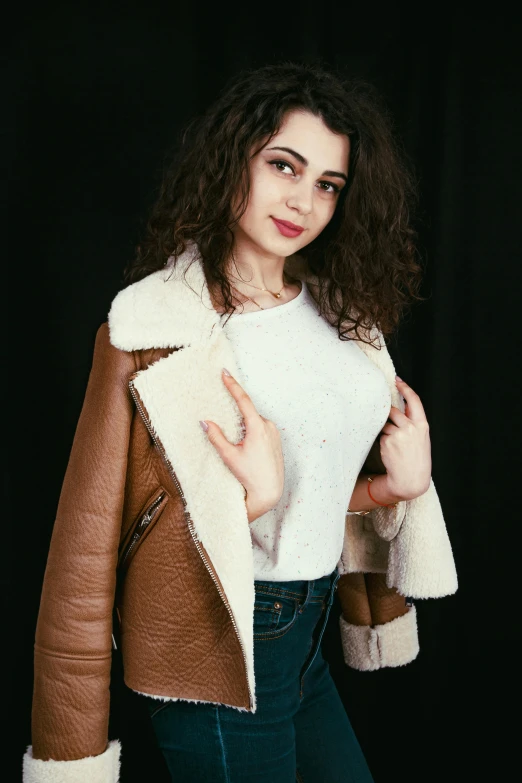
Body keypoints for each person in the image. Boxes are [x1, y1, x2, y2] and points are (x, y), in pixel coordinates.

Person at [23, 61, 458, 782]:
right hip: (217, 648)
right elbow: (86, 551)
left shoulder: (343, 316)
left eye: (328, 184)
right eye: (283, 165)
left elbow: (317, 492)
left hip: (303, 642)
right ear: (233, 161)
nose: (304, 200)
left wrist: (391, 489)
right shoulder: (149, 326)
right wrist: (241, 504)